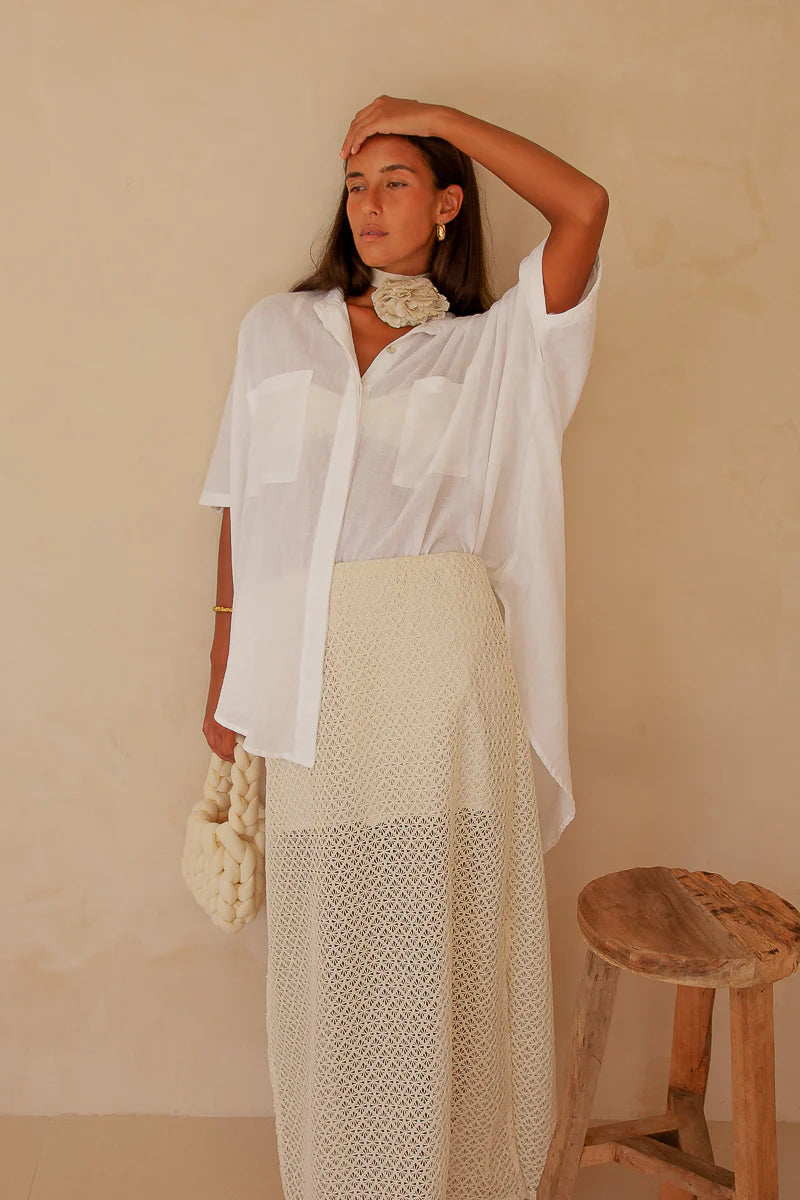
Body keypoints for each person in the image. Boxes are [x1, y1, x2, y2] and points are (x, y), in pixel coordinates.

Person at [199, 95, 607, 1200]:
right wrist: (223, 675)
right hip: (310, 674)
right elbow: (239, 506)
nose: (366, 202)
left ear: (443, 205)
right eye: (353, 180)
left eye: (393, 179)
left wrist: (433, 116)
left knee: (441, 942)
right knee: (333, 953)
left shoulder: (489, 351)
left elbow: (582, 207)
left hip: (439, 671)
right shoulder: (274, 331)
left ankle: (454, 1178)